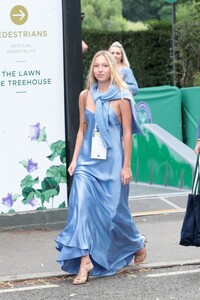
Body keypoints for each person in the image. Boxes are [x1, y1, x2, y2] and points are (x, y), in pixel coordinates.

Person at [55, 50, 146, 285]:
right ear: (92, 70)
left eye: (105, 65)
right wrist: (75, 160)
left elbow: (127, 134)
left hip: (114, 162)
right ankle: (85, 259)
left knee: (115, 212)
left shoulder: (123, 97)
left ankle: (137, 242)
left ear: (112, 68)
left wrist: (126, 166)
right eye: (96, 66)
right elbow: (82, 129)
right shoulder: (85, 95)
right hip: (87, 161)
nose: (100, 70)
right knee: (81, 206)